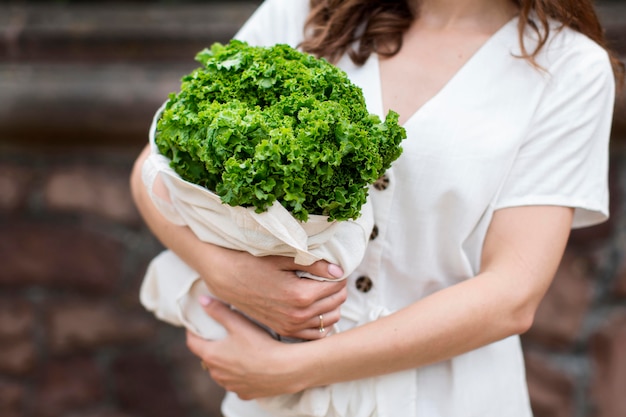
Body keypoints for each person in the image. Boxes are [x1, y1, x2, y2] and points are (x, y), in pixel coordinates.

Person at [130, 0, 624, 416]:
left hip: (444, 398)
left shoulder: (568, 66)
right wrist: (227, 274)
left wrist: (287, 369)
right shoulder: (309, 12)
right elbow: (156, 167)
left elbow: (511, 294)